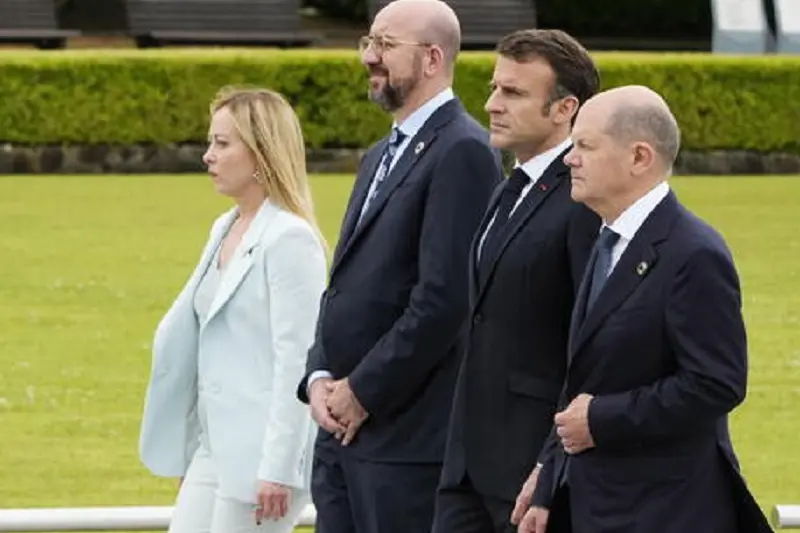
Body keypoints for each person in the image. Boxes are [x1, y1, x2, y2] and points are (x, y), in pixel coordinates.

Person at [520, 85, 773, 533]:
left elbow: (716, 384)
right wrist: (548, 482)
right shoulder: (605, 243)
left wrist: (601, 419)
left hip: (665, 511)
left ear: (639, 157)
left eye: (585, 146)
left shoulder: (693, 253)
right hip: (597, 503)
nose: (568, 159)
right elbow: (585, 378)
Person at [294, 0, 503, 531]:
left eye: (386, 45)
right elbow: (343, 285)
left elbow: (445, 298)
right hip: (340, 434)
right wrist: (319, 375)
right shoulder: (377, 155)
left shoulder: (464, 152)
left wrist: (362, 391)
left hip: (405, 442)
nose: (369, 57)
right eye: (368, 42)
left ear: (433, 59)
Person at [432, 29, 600, 533]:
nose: (491, 104)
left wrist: (553, 469)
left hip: (531, 472)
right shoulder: (510, 187)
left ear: (564, 108)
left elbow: (590, 345)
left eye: (513, 93)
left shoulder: (584, 199)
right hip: (466, 463)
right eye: (493, 88)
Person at [138, 86, 328, 533]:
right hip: (213, 445)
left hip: (263, 456)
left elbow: (296, 362)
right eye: (211, 142)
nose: (208, 156)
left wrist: (278, 468)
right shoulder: (223, 227)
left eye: (222, 144)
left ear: (262, 153)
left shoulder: (290, 240)